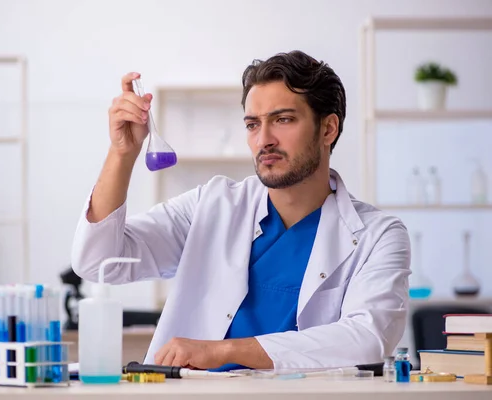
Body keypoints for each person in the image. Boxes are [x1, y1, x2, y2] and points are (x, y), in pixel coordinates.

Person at [71, 50, 411, 372]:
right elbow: (98, 262)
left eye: (283, 119)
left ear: (328, 128)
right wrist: (122, 153)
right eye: (252, 124)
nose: (264, 139)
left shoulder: (377, 235)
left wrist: (221, 351)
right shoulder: (213, 205)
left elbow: (367, 339)